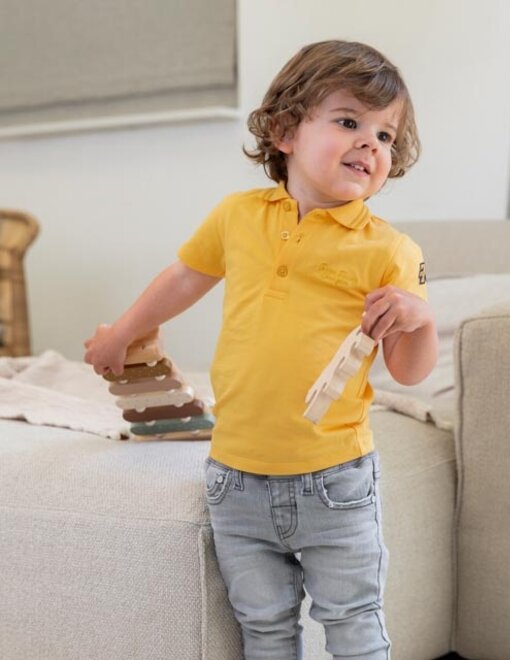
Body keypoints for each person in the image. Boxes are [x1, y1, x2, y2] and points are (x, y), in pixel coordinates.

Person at [84, 39, 438, 660]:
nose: (371, 145)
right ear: (284, 131)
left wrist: (419, 320)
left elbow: (410, 372)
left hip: (335, 479)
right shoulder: (238, 217)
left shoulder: (390, 252)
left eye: (386, 136)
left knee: (355, 629)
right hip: (235, 477)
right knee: (263, 631)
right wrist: (121, 333)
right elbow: (184, 278)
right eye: (350, 122)